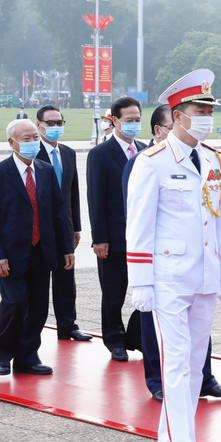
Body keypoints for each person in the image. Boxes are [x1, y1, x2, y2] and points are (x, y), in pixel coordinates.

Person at [126, 69, 221, 442]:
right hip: (168, 277)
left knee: (194, 361)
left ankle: (171, 441)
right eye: (198, 108)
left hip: (205, 275)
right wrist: (141, 282)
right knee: (175, 364)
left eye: (209, 108)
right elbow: (137, 225)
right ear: (177, 114)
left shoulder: (213, 159)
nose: (206, 115)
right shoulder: (151, 162)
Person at [0, 120, 74, 375]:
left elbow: (58, 213)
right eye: (26, 138)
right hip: (10, 255)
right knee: (15, 302)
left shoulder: (44, 170)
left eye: (35, 137)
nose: (32, 143)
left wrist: (67, 248)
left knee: (38, 307)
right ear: (12, 142)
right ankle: (0, 353)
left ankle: (27, 356)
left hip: (42, 252)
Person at [87, 97, 145, 361]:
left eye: (137, 119)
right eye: (129, 119)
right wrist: (99, 238)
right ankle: (114, 340)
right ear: (115, 120)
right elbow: (96, 198)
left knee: (145, 290)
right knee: (114, 292)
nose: (134, 124)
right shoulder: (100, 154)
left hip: (143, 237)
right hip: (114, 237)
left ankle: (137, 336)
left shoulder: (146, 151)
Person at [35, 105, 91, 342]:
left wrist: (76, 226)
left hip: (64, 227)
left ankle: (67, 326)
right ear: (39, 125)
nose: (56, 127)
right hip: (38, 228)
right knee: (38, 283)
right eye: (51, 123)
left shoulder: (67, 153)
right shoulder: (30, 151)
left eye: (59, 123)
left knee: (66, 279)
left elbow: (73, 193)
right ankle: (32, 327)